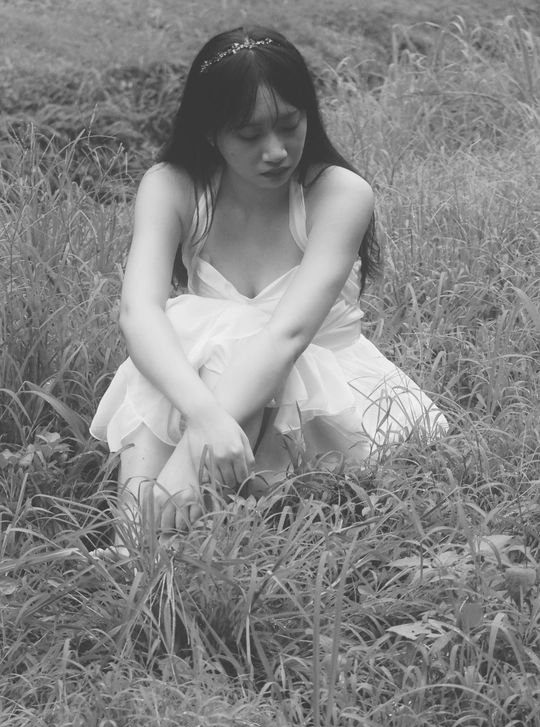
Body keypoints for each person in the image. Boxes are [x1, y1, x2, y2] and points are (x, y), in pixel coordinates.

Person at [90, 25, 447, 532]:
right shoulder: (173, 186)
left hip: (325, 400)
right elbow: (138, 312)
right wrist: (205, 419)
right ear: (210, 131)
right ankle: (138, 537)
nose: (276, 151)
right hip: (210, 394)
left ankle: (155, 533)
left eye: (289, 124)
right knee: (191, 330)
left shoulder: (339, 193)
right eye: (249, 135)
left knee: (238, 339)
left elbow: (287, 335)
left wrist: (193, 450)